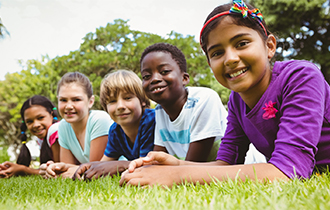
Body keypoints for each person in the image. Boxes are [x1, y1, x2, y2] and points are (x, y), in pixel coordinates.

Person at [119, 0, 330, 187]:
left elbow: (287, 171)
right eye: (217, 53)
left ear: (270, 46)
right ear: (210, 63)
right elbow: (226, 164)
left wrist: (178, 174)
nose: (230, 59)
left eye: (242, 43)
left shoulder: (301, 76)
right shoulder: (237, 101)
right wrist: (177, 164)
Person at [139, 42, 227, 163]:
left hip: (240, 170)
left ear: (184, 78)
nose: (154, 79)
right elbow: (157, 159)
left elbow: (193, 165)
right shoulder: (160, 110)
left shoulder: (203, 99)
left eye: (164, 71)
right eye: (146, 76)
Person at [72, 70, 155, 180]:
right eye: (112, 101)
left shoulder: (151, 121)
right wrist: (87, 168)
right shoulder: (115, 131)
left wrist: (118, 165)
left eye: (127, 98)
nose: (120, 106)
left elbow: (147, 166)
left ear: (142, 100)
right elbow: (104, 164)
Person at [39, 72, 113, 178]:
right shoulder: (63, 126)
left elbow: (94, 169)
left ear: (90, 101)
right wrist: (54, 169)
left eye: (76, 100)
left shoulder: (99, 120)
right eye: (63, 100)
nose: (69, 106)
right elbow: (67, 168)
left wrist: (69, 170)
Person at [0, 95, 59, 178]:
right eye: (30, 121)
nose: (36, 125)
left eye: (41, 118)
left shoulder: (55, 130)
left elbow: (58, 171)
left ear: (51, 114)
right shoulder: (42, 138)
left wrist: (22, 169)